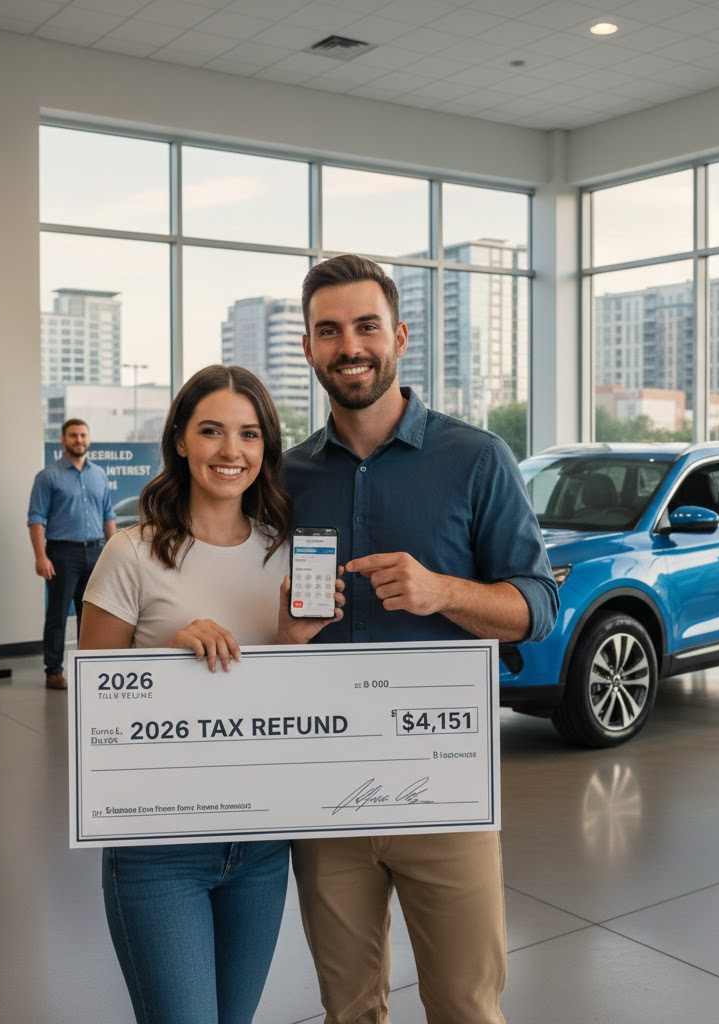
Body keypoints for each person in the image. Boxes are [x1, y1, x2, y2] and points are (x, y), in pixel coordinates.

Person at [284, 254, 560, 1024]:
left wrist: (441, 591)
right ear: (309, 348)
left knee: (466, 1007)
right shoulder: (285, 476)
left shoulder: (476, 459)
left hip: (444, 788)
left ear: (399, 336)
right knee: (348, 1011)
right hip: (325, 795)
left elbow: (538, 606)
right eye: (329, 330)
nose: (350, 346)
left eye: (366, 326)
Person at [78, 365, 343, 1024]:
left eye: (249, 434)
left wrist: (290, 641)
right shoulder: (132, 553)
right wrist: (171, 659)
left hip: (260, 846)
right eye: (212, 431)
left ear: (267, 448)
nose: (232, 451)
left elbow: (293, 711)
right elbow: (92, 708)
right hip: (159, 847)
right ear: (179, 440)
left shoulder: (286, 555)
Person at [27, 418, 115, 690]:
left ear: (89, 439)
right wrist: (41, 556)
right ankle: (53, 671)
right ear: (63, 440)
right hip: (62, 554)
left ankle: (88, 670)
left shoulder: (99, 474)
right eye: (73, 435)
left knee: (90, 615)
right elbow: (36, 518)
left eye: (83, 435)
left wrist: (114, 554)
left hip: (96, 552)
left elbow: (108, 516)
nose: (79, 440)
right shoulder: (48, 476)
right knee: (57, 614)